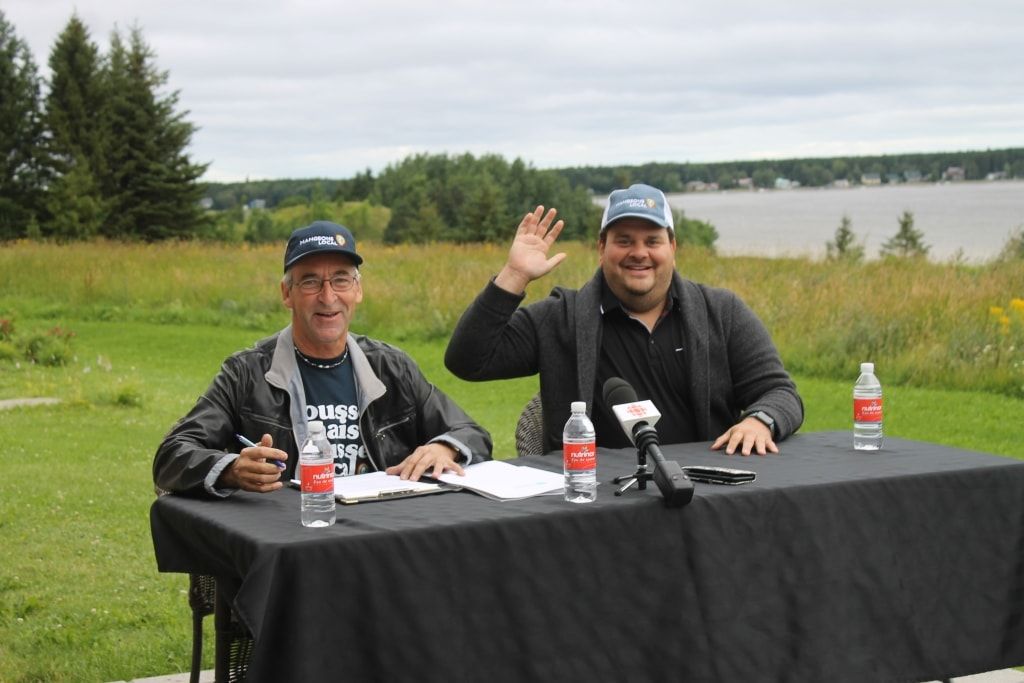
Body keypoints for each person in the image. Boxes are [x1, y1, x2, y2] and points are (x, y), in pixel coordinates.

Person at [445, 183, 803, 456]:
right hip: (596, 507)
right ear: (602, 249)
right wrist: (513, 275)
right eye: (624, 240)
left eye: (652, 240)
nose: (639, 253)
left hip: (704, 496)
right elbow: (468, 361)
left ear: (672, 248)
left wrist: (760, 420)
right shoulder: (560, 318)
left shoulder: (721, 312)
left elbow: (779, 392)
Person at [154, 221, 492, 497]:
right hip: (289, 538)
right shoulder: (246, 372)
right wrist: (231, 469)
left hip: (380, 536)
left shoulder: (391, 368)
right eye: (311, 281)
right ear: (287, 293)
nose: (328, 297)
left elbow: (471, 432)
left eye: (341, 279)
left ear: (357, 290)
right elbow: (172, 456)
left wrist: (444, 449)